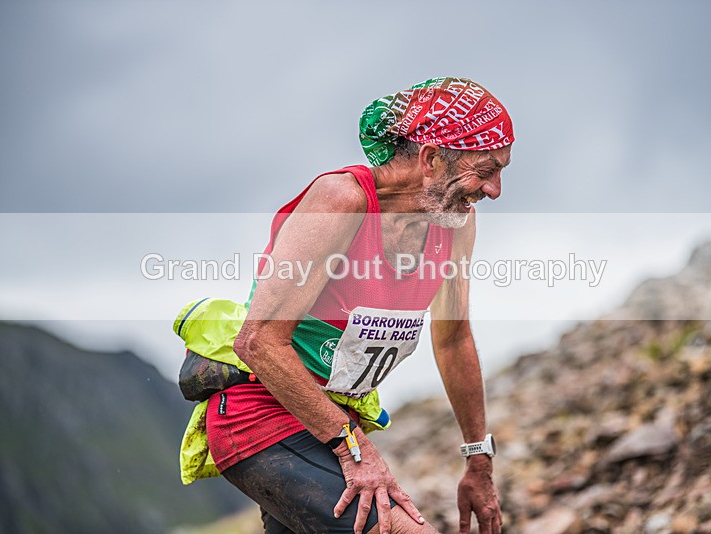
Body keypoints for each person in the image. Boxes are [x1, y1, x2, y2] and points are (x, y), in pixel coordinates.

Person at [206, 77, 514, 534]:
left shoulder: (455, 225)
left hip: (330, 426)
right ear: (431, 159)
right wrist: (355, 449)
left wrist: (478, 461)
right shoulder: (342, 200)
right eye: (486, 170)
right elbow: (258, 341)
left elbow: (453, 339)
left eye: (501, 171)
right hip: (262, 421)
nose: (495, 190)